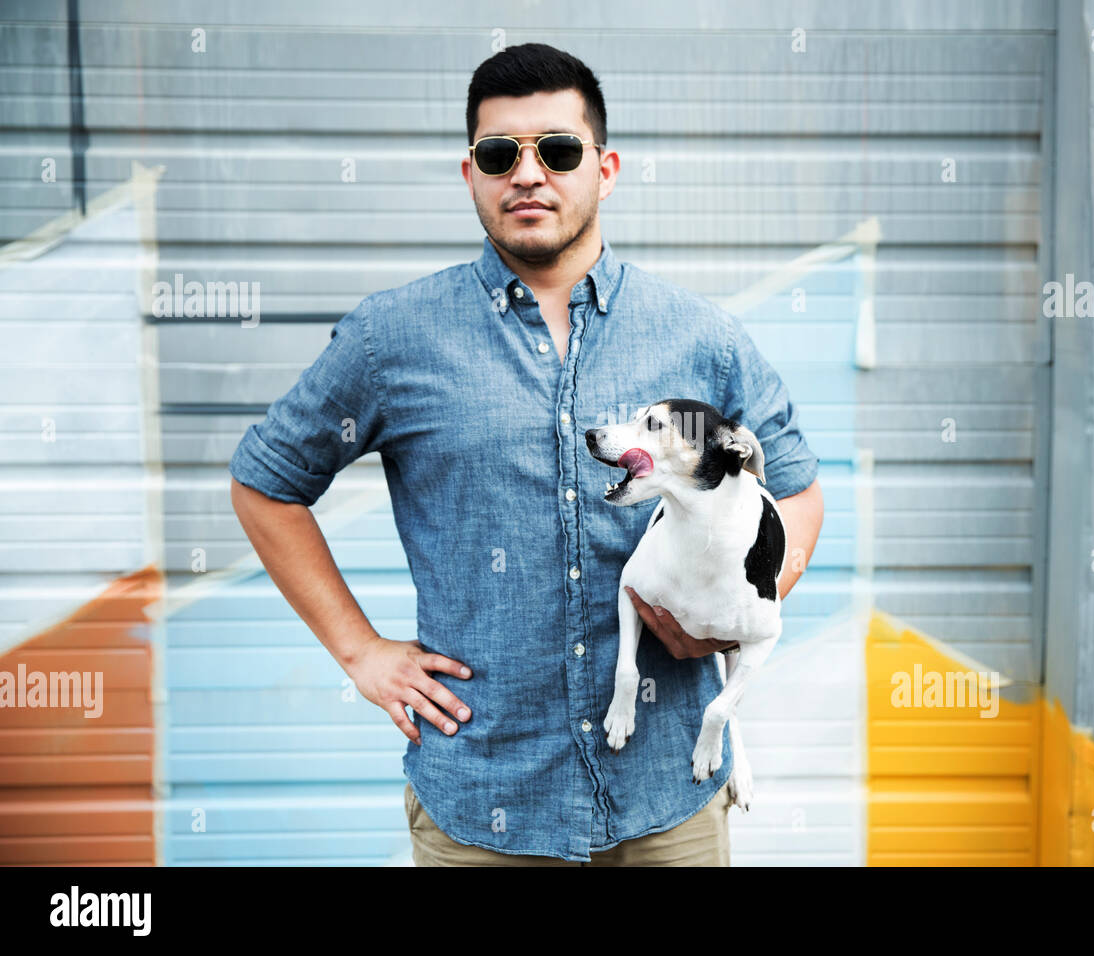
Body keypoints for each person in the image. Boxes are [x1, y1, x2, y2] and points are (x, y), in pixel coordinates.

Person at [228, 42, 824, 867]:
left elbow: (794, 492)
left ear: (605, 170)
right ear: (470, 172)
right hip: (483, 803)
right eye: (500, 153)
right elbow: (265, 485)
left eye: (560, 150)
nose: (529, 173)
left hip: (671, 806)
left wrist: (739, 606)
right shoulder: (390, 339)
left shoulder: (703, 337)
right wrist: (360, 652)